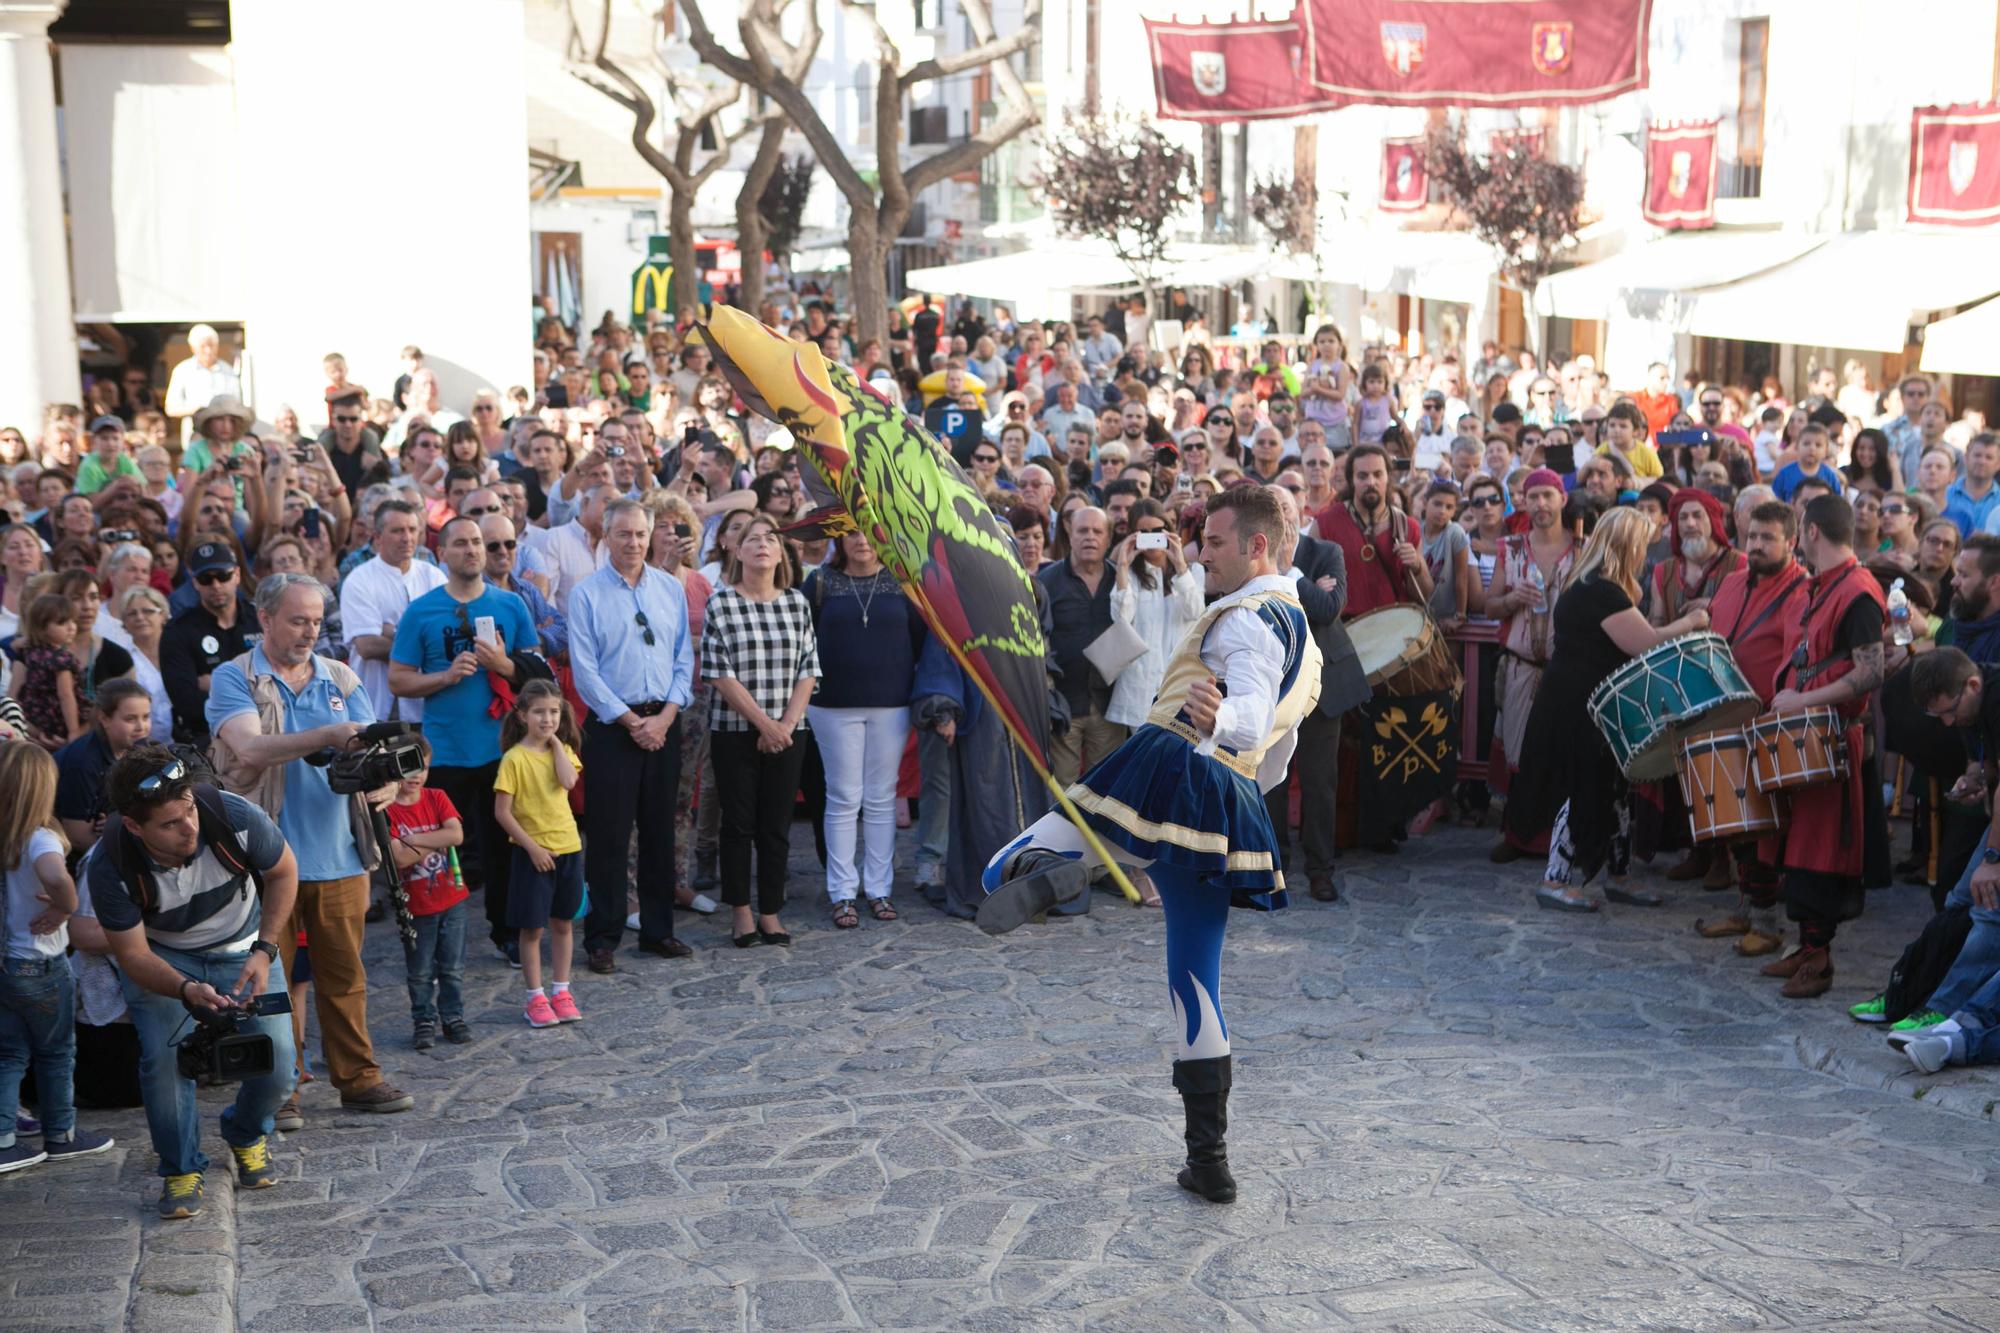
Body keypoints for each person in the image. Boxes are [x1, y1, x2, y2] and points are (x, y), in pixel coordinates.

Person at [978, 486, 1322, 1205]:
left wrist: (1223, 713)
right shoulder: (1306, 639)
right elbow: (1278, 750)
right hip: (1225, 802)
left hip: (1169, 765)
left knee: (996, 869)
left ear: (1258, 546)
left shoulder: (1248, 621)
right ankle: (1211, 1160)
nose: (1202, 554)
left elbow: (1254, 714)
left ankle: (1063, 871)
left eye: (1217, 543)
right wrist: (1237, 782)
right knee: (1195, 981)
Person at [208, 572, 414, 1125]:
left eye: (318, 621)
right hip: (265, 860)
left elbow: (375, 751)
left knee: (345, 977)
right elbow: (249, 749)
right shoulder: (235, 678)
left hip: (339, 852)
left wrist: (389, 784)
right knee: (271, 984)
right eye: (298, 620)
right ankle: (283, 1088)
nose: (309, 632)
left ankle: (359, 1078)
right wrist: (327, 735)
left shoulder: (340, 676)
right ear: (265, 618)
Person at [88, 745, 298, 1219]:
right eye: (171, 823)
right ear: (135, 826)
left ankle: (246, 1132)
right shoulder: (111, 864)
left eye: (189, 811)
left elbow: (284, 872)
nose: (190, 828)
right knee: (164, 1067)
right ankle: (181, 1170)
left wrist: (264, 951)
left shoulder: (232, 816)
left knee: (281, 1063)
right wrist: (184, 989)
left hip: (245, 949)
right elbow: (133, 956)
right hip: (163, 962)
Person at [1505, 508, 1712, 912]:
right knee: (1579, 789)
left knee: (1615, 789)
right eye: (1643, 545)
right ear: (1627, 545)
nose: (1647, 553)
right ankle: (1555, 879)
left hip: (1593, 702)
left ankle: (1619, 876)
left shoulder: (1596, 586)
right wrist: (1694, 621)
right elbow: (1646, 642)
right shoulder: (1599, 590)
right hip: (1577, 704)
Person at [389, 516, 536, 964]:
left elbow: (535, 674)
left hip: (501, 748)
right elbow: (398, 680)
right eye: (462, 543)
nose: (473, 550)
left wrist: (504, 665)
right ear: (442, 554)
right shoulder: (422, 610)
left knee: (503, 848)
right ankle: (431, 933)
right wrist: (445, 676)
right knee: (440, 849)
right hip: (446, 751)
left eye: (478, 543)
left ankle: (507, 933)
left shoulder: (511, 605)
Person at [1759, 494, 1889, 998]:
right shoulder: (1826, 585)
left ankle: (1820, 959)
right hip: (1808, 733)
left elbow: (1870, 672)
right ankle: (1806, 946)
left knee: (1819, 851)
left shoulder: (1857, 590)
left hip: (1833, 736)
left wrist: (1804, 699)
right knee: (1798, 844)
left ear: (1810, 532)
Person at [569, 500, 695, 972]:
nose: (635, 543)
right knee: (609, 835)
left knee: (660, 830)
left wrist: (663, 718)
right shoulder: (586, 594)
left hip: (663, 722)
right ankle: (603, 936)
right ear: (606, 536)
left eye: (641, 534)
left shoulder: (669, 589)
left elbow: (684, 659)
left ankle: (659, 931)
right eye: (624, 534)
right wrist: (631, 722)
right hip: (613, 728)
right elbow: (585, 671)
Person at [1694, 501, 1811, 951]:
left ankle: (1767, 923)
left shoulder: (1802, 590)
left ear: (1792, 542)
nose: (1757, 546)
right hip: (1723, 718)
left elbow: (1796, 659)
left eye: (1768, 538)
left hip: (1766, 724)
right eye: (1752, 537)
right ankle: (1746, 910)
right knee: (1737, 824)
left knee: (1765, 827)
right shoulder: (1732, 581)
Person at [700, 514, 820, 950]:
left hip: (790, 733)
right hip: (735, 731)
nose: (763, 545)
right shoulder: (722, 603)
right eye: (753, 538)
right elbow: (717, 672)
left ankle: (770, 910)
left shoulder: (796, 602)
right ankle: (741, 912)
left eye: (771, 538)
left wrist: (785, 725)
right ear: (736, 550)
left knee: (776, 824)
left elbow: (809, 668)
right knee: (738, 824)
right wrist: (764, 724)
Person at [0, 742, 113, 1174]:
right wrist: (64, 905)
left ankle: (6, 1140)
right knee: (57, 1053)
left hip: (6, 962)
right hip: (40, 964)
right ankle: (61, 1134)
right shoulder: (40, 837)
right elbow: (54, 874)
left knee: (9, 1055)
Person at [803, 532, 920, 929]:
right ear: (839, 540)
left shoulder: (903, 581)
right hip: (832, 705)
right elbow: (806, 640)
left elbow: (919, 640)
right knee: (842, 797)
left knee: (882, 797)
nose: (861, 541)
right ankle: (842, 892)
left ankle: (879, 888)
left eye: (869, 532)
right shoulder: (820, 583)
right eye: (851, 532)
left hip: (892, 704)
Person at [1897, 648, 2000, 1071]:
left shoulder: (1993, 698)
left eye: (1949, 711)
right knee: (1960, 900)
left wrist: (1993, 858)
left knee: (1989, 909)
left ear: (1971, 686)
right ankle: (1925, 998)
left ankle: (1953, 1018)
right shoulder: (1975, 704)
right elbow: (1990, 763)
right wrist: (1976, 777)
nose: (1947, 721)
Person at [1264, 485, 1369, 902]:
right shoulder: (1253, 556)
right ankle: (1273, 866)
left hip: (1323, 686)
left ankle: (1320, 869)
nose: (1281, 518)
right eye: (1271, 510)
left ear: (1300, 511)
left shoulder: (1327, 552)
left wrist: (1290, 573)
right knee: (1271, 780)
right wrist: (1308, 586)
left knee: (1319, 782)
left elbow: (1328, 610)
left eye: (1285, 509)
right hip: (1273, 685)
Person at [492, 681, 584, 1028]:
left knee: (564, 923)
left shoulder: (565, 752)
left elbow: (568, 782)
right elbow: (503, 813)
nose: (547, 719)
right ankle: (535, 996)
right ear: (522, 715)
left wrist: (558, 743)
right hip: (533, 855)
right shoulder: (514, 759)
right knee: (532, 929)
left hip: (568, 848)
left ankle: (561, 991)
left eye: (554, 712)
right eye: (540, 712)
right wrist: (532, 848)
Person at [383, 736, 468, 1048]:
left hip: (453, 899)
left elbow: (456, 834)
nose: (417, 776)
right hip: (416, 906)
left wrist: (415, 841)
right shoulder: (388, 809)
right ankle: (423, 1020)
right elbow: (400, 858)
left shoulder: (437, 797)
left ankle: (453, 1017)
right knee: (420, 971)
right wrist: (438, 837)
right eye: (409, 768)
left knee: (452, 967)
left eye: (424, 768)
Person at [1039, 507, 1124, 799]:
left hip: (1109, 703)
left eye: (1097, 531)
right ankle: (1062, 845)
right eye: (1083, 531)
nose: (1090, 537)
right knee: (1063, 793)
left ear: (1109, 538)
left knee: (1107, 791)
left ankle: (1097, 846)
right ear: (1069, 535)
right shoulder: (1047, 581)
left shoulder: (1121, 580)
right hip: (1064, 703)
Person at [339, 500, 447, 725]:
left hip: (427, 706)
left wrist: (389, 631)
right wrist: (421, 644)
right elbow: (367, 646)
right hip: (376, 707)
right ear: (377, 537)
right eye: (398, 530)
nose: (407, 537)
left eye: (412, 529)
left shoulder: (434, 576)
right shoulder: (359, 580)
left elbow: (444, 638)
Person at [1315, 445, 1431, 616]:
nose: (1371, 482)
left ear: (1388, 477)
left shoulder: (1407, 526)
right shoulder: (1325, 523)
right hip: (1345, 630)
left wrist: (1416, 566)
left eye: (1378, 474)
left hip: (1396, 627)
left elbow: (1426, 593)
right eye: (1362, 476)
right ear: (1351, 480)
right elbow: (1308, 585)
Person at [53, 678, 152, 854]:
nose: (141, 727)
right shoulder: (82, 762)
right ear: (104, 719)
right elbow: (77, 836)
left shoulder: (139, 747)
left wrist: (118, 821)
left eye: (146, 717)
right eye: (130, 719)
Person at [11, 593, 84, 745]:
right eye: (62, 623)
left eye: (73, 621)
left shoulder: (30, 651)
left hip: (32, 716)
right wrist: (74, 731)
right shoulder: (61, 659)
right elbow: (66, 695)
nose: (71, 627)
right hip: (56, 720)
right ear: (43, 627)